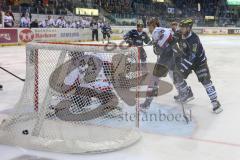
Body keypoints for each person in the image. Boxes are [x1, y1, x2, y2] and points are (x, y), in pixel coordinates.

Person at [174, 18, 223, 114]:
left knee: (206, 82)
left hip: (199, 63)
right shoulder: (180, 34)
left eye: (183, 27)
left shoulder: (194, 39)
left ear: (189, 28)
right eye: (180, 27)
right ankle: (186, 93)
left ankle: (215, 102)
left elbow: (192, 56)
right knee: (177, 76)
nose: (181, 29)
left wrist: (183, 66)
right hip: (187, 60)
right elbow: (171, 39)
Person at [140, 18, 176, 111]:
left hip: (166, 57)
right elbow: (171, 32)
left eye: (149, 26)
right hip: (171, 56)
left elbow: (167, 35)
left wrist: (159, 43)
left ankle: (147, 104)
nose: (148, 28)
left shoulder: (156, 31)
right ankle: (185, 92)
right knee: (172, 75)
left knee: (154, 79)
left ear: (153, 26)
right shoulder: (160, 30)